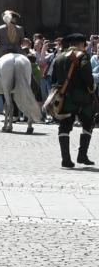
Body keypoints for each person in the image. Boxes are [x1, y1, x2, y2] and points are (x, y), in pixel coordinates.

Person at [47, 33, 95, 168]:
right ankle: (82, 155)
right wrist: (92, 89)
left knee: (64, 127)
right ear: (81, 44)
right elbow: (88, 77)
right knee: (88, 123)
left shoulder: (59, 57)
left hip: (63, 98)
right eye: (84, 45)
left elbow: (53, 79)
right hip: (81, 98)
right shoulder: (83, 56)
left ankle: (66, 160)